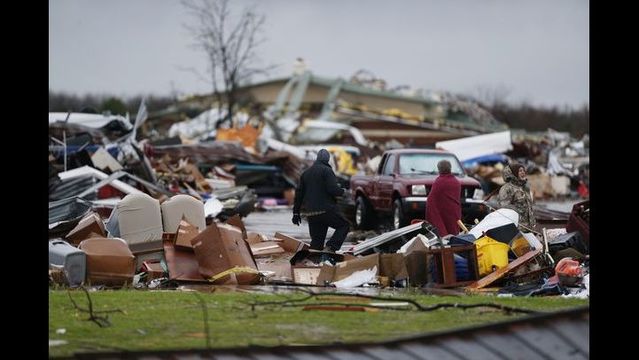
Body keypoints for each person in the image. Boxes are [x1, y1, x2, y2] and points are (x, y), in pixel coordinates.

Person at [292, 149, 350, 252]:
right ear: (327, 159)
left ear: (317, 158)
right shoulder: (327, 171)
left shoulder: (306, 173)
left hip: (312, 213)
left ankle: (314, 262)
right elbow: (333, 189)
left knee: (316, 243)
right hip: (326, 210)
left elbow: (299, 195)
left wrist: (296, 213)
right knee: (344, 225)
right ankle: (331, 247)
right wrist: (344, 192)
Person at [425, 160, 462, 237]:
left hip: (442, 213)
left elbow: (431, 200)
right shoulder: (456, 182)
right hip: (454, 212)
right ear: (450, 168)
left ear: (439, 170)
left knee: (444, 235)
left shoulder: (439, 182)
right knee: (454, 234)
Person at [497, 163, 536, 231]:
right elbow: (504, 208)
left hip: (529, 228)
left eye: (523, 170)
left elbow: (529, 206)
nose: (523, 172)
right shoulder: (507, 189)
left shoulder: (525, 187)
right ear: (513, 173)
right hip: (517, 228)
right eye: (520, 171)